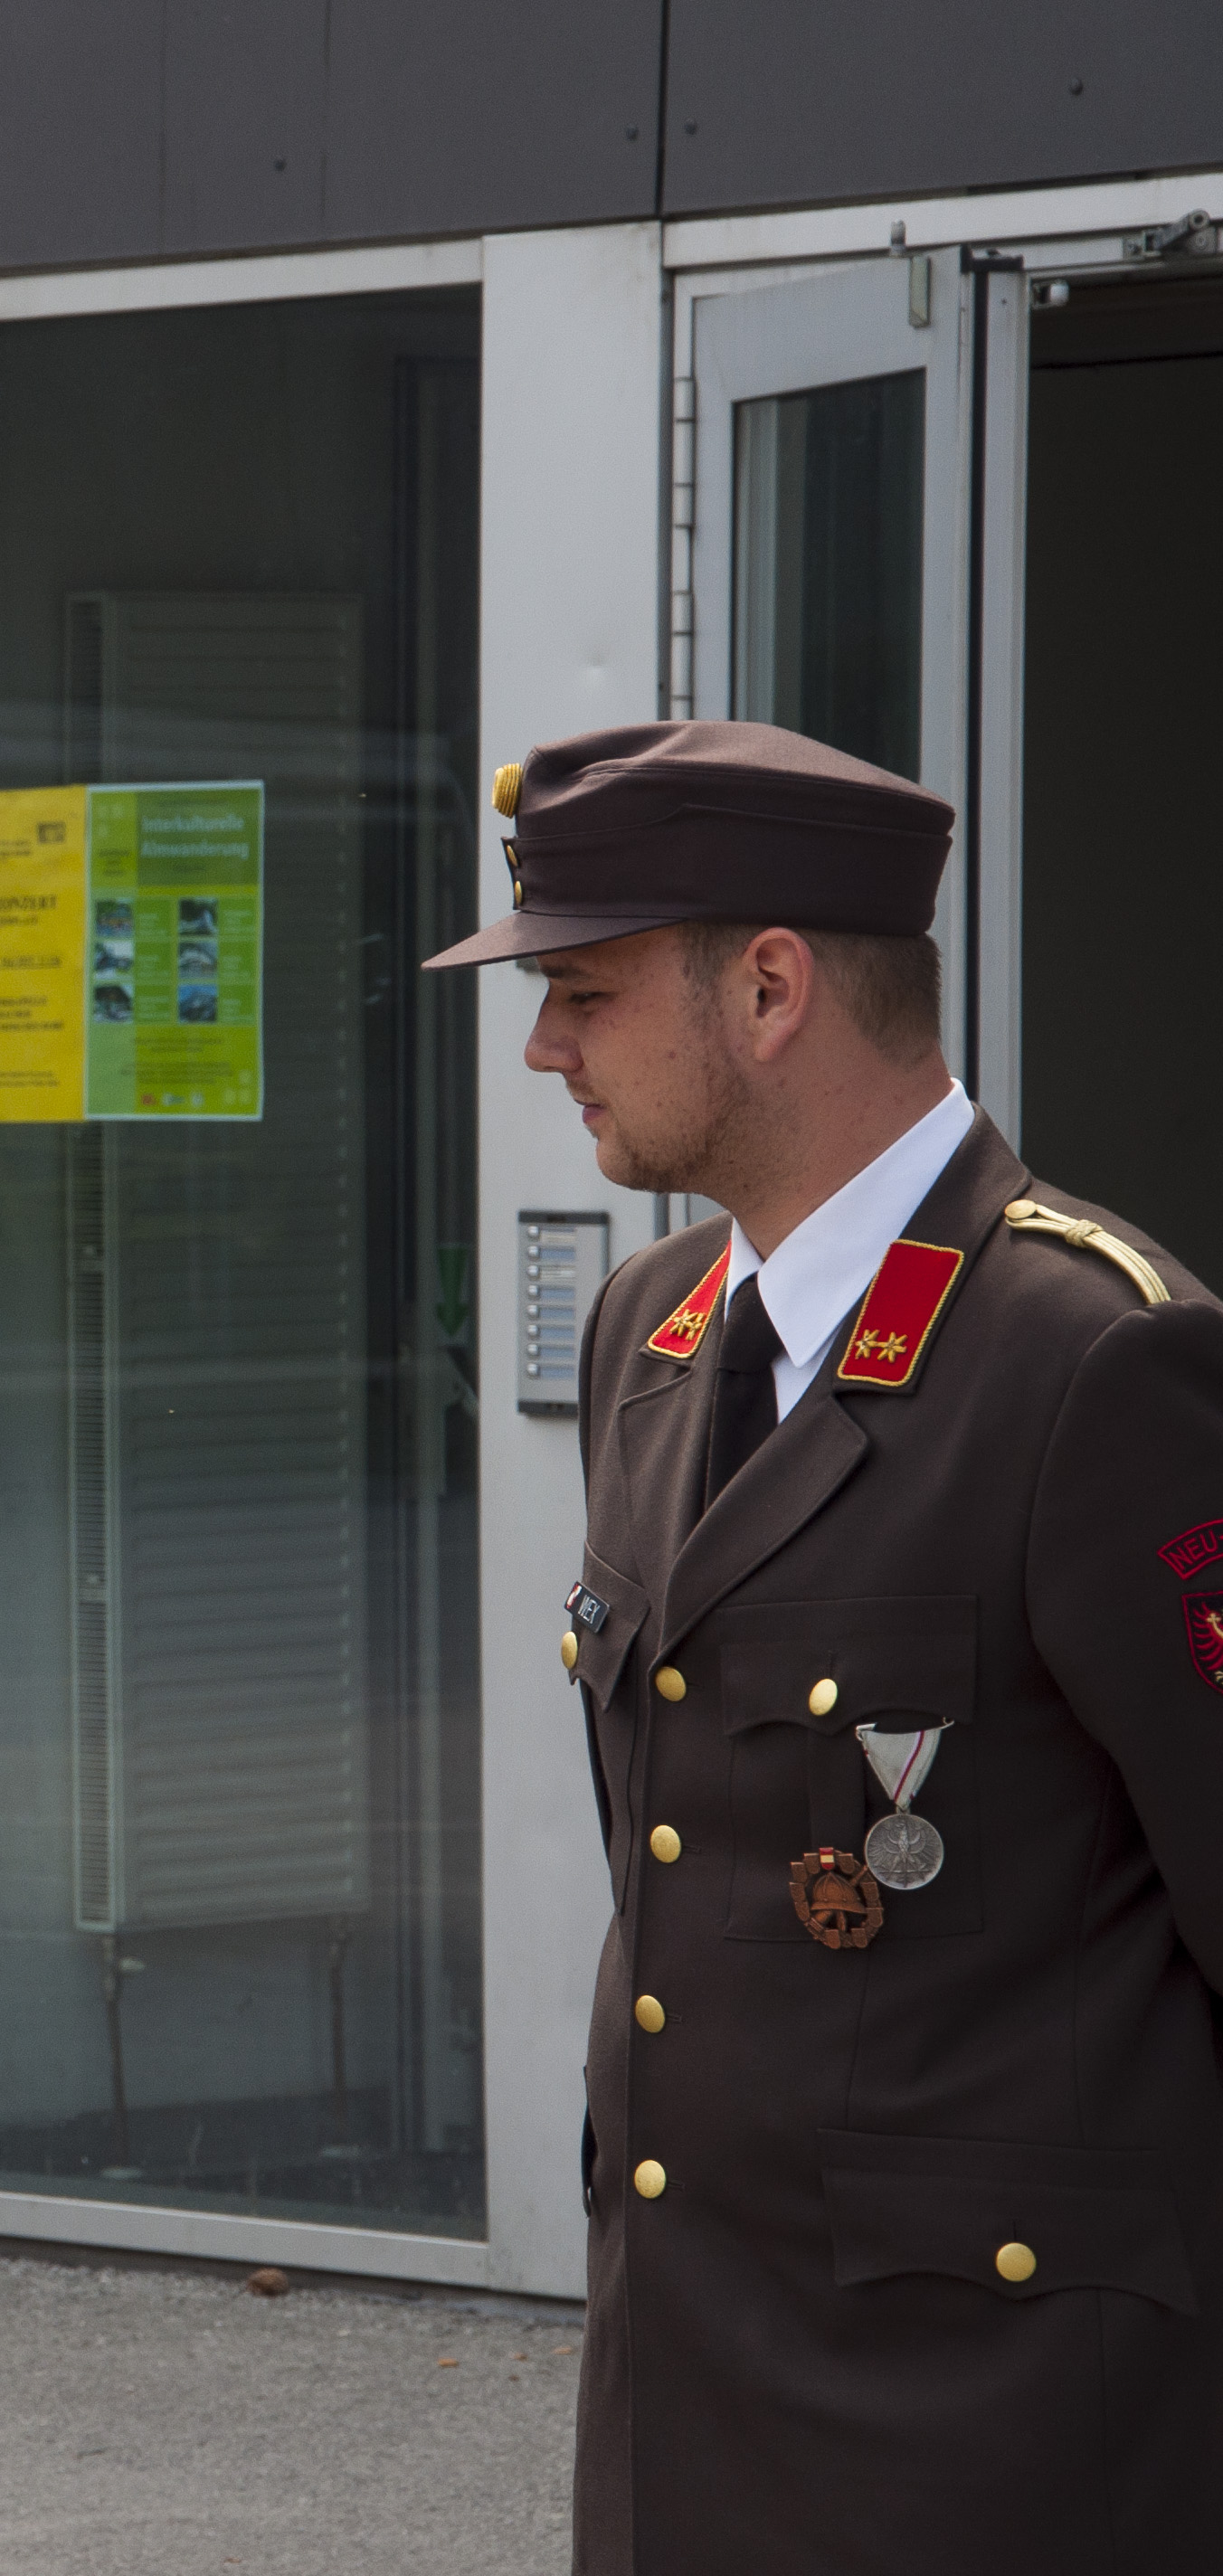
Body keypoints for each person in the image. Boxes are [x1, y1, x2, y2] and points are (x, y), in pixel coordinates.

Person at [427, 719, 1223, 2571]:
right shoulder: (651, 1324)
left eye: (582, 988)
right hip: (679, 2408)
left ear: (768, 986)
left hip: (997, 2442)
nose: (541, 1041)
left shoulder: (1090, 1354)